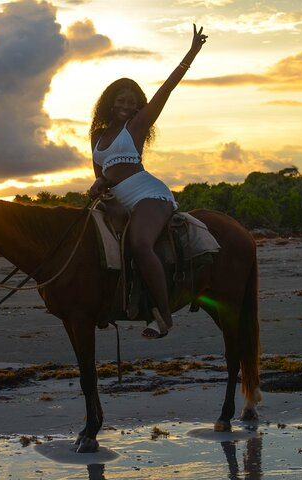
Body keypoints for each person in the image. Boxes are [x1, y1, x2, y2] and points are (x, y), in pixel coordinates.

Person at [89, 25, 208, 339]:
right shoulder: (97, 136)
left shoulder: (138, 125)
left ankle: (163, 316)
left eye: (131, 101)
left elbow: (166, 90)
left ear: (138, 105)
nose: (125, 105)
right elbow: (99, 173)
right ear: (109, 102)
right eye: (120, 99)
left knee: (141, 244)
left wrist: (191, 53)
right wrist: (99, 185)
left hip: (147, 195)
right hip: (115, 200)